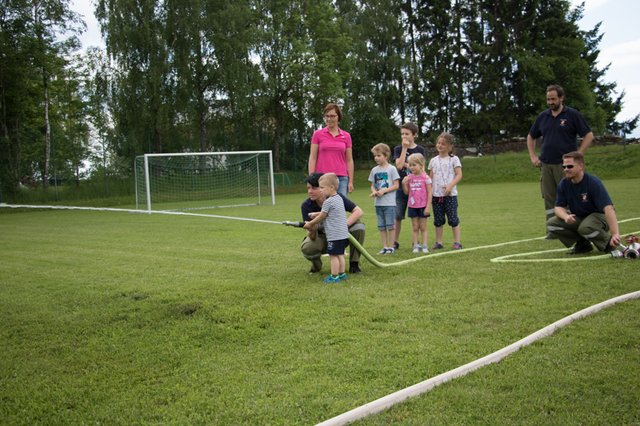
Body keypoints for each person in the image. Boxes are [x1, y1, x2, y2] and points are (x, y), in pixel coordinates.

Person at [527, 84, 594, 224]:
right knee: (549, 200)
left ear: (561, 98)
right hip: (546, 165)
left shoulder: (572, 115)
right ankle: (552, 229)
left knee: (568, 198)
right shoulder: (543, 117)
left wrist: (579, 154)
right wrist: (533, 156)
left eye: (553, 99)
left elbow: (588, 135)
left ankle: (571, 228)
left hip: (565, 166)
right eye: (548, 99)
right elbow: (531, 136)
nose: (550, 102)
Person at [546, 151, 622, 255]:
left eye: (570, 166)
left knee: (585, 227)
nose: (566, 169)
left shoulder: (593, 182)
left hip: (599, 216)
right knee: (551, 224)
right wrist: (566, 217)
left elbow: (608, 208)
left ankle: (609, 244)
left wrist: (615, 234)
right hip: (580, 217)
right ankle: (583, 244)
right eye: (564, 167)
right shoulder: (563, 184)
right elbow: (558, 207)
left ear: (581, 166)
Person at [300, 173, 365, 274]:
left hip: (340, 235)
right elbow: (312, 236)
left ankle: (353, 264)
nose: (310, 191)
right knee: (308, 247)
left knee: (359, 226)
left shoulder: (336, 198)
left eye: (314, 188)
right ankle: (317, 265)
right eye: (308, 188)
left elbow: (358, 211)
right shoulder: (306, 205)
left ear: (328, 187)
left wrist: (343, 226)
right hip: (323, 238)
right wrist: (311, 229)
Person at [303, 173, 350, 283]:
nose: (321, 190)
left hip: (334, 235)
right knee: (340, 254)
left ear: (332, 187)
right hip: (342, 234)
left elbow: (323, 216)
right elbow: (330, 213)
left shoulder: (328, 201)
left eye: (322, 187)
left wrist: (310, 223)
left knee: (333, 256)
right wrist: (316, 214)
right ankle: (342, 274)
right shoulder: (339, 198)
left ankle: (334, 276)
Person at [308, 103, 354, 197]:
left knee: (340, 205)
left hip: (341, 178)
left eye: (332, 116)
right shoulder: (317, 134)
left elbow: (349, 160)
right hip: (322, 178)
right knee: (323, 205)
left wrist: (350, 181)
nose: (329, 119)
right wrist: (311, 179)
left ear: (338, 117)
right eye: (327, 116)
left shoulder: (346, 136)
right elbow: (312, 157)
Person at [392, 122, 426, 251]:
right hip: (401, 187)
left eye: (407, 134)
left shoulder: (420, 150)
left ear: (414, 135)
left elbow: (422, 168)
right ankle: (394, 242)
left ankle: (416, 242)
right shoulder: (398, 149)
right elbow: (399, 165)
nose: (404, 136)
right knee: (398, 215)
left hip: (417, 188)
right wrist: (404, 148)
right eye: (402, 134)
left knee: (417, 216)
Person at [428, 132, 463, 250]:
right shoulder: (433, 161)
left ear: (450, 146)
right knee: (438, 220)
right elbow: (430, 178)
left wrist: (450, 186)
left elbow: (459, 175)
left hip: (450, 195)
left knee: (453, 219)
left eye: (443, 144)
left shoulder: (454, 159)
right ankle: (439, 242)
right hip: (436, 195)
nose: (440, 145)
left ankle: (457, 242)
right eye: (438, 143)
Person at [368, 143, 401, 255]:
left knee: (390, 226)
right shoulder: (374, 170)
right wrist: (374, 191)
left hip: (389, 204)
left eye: (378, 155)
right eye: (375, 156)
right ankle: (385, 247)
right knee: (381, 227)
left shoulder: (392, 169)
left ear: (386, 156)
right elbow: (372, 185)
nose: (376, 158)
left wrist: (384, 191)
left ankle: (391, 247)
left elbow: (396, 185)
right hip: (378, 204)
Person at [401, 153, 432, 254]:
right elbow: (407, 192)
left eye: (414, 165)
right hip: (412, 206)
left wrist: (428, 207)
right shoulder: (409, 177)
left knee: (423, 227)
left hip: (423, 206)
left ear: (421, 165)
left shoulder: (425, 177)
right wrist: (404, 184)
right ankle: (415, 245)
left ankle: (425, 245)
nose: (411, 167)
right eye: (410, 165)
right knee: (415, 227)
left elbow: (430, 192)